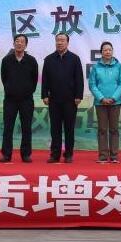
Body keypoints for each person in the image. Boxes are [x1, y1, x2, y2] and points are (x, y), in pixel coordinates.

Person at [41, 33, 84, 163]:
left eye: (62, 40)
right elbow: (45, 79)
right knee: (55, 128)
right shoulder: (49, 59)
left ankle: (68, 154)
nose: (59, 43)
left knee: (69, 128)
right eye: (58, 40)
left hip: (70, 100)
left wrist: (79, 95)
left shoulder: (74, 59)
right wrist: (44, 95)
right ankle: (55, 154)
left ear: (67, 43)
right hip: (54, 99)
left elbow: (79, 79)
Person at [0, 34, 38, 163]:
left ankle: (26, 154)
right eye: (17, 41)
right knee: (8, 127)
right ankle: (6, 154)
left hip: (26, 100)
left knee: (26, 127)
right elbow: (4, 78)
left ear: (26, 45)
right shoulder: (6, 60)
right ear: (14, 43)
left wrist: (27, 91)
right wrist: (10, 89)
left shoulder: (31, 61)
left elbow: (34, 80)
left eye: (22, 42)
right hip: (10, 100)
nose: (19, 43)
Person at [89, 41, 121, 163]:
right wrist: (101, 98)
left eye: (110, 50)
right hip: (100, 103)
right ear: (101, 52)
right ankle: (103, 156)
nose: (108, 52)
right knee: (102, 129)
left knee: (114, 129)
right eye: (105, 50)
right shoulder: (96, 67)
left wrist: (114, 97)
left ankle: (114, 156)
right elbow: (92, 84)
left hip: (115, 102)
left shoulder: (118, 66)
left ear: (112, 51)